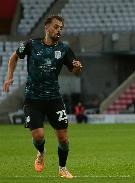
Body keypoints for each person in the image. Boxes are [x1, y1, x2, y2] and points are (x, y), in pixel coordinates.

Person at [3, 15, 83, 179]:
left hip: (54, 99)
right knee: (38, 136)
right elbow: (14, 57)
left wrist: (77, 67)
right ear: (46, 27)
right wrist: (9, 76)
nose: (58, 30)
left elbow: (74, 71)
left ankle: (62, 168)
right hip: (33, 99)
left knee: (63, 138)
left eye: (61, 28)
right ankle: (41, 152)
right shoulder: (31, 44)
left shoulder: (64, 49)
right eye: (55, 26)